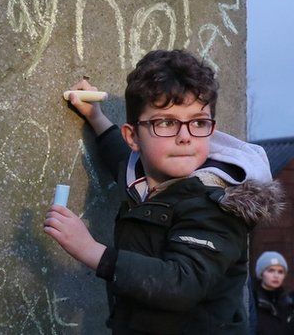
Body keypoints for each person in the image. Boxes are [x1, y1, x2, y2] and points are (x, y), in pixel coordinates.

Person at [44, 49, 285, 334]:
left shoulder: (217, 204)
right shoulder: (148, 179)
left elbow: (181, 284)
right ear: (133, 136)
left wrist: (90, 250)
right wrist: (96, 117)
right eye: (167, 123)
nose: (185, 136)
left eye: (198, 122)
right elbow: (121, 158)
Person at [254, 251, 294, 334]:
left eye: (280, 272)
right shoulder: (252, 302)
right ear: (261, 274)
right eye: (271, 270)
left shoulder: (289, 303)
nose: (276, 276)